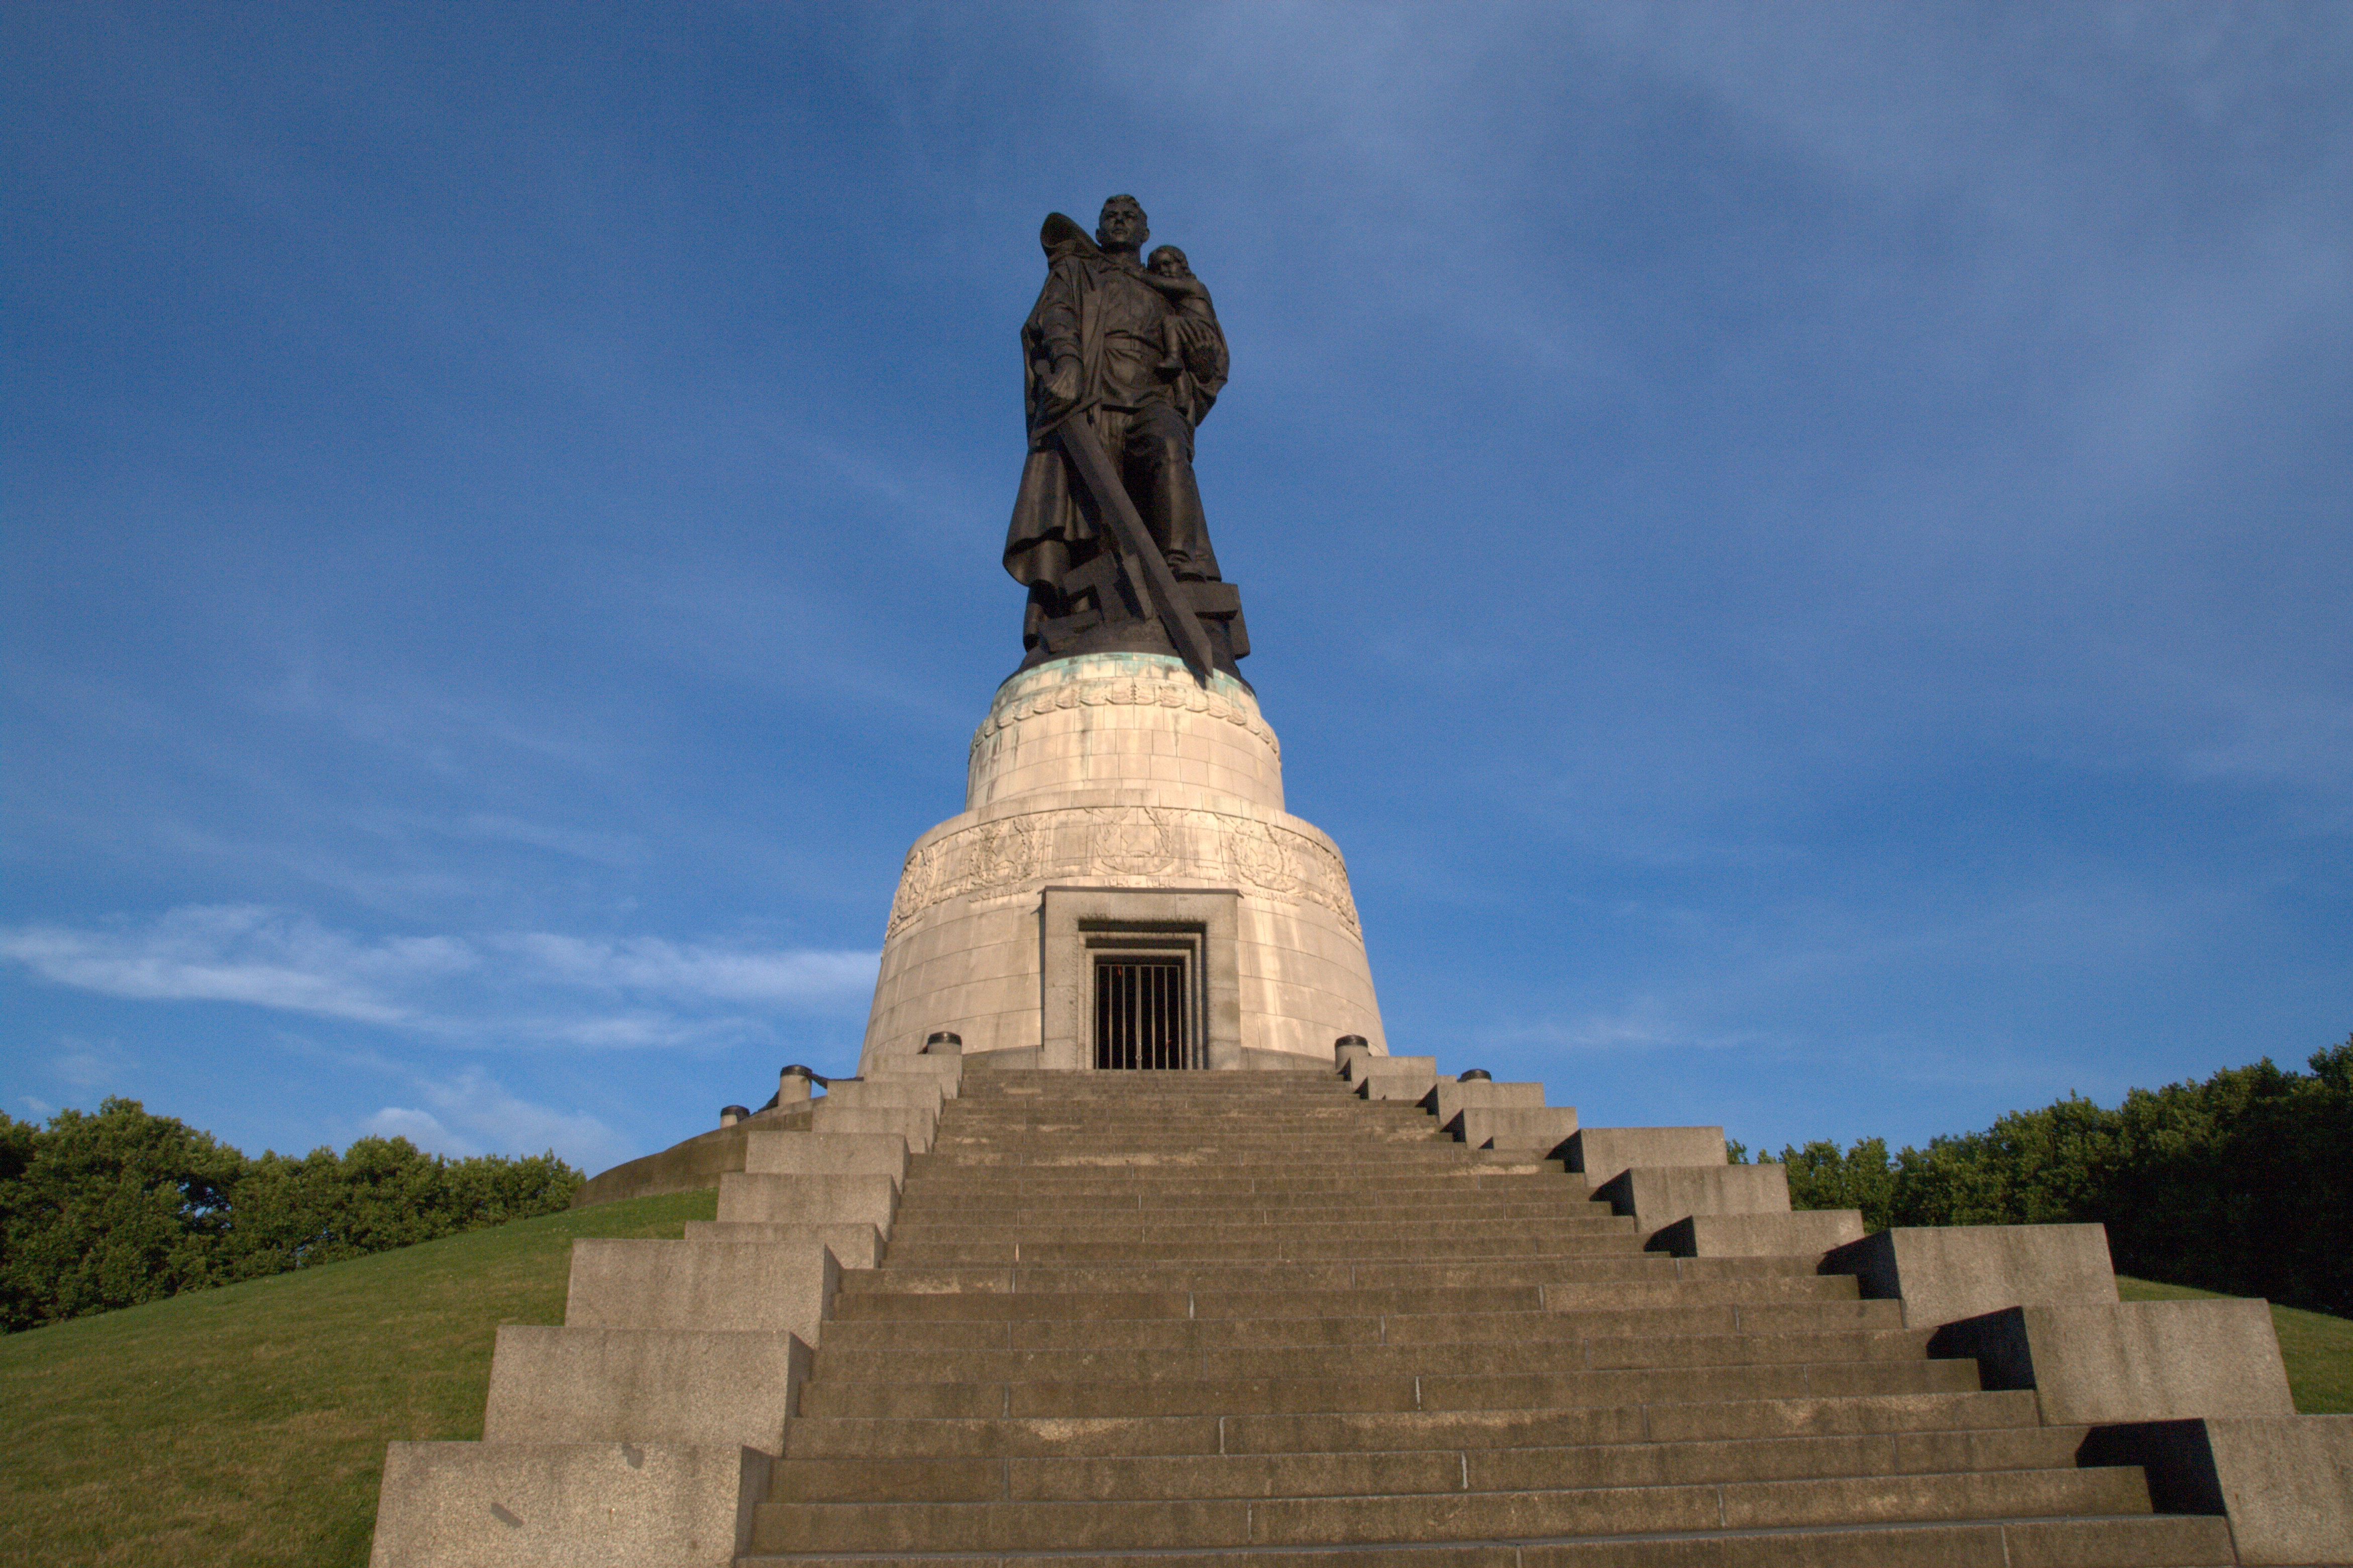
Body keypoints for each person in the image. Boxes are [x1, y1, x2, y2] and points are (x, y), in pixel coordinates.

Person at [1004, 196, 1231, 655]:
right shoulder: (1079, 271)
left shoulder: (1166, 287)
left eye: (1130, 217)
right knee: (1098, 509)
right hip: (1094, 395)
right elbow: (1055, 316)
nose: (1120, 223)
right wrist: (1067, 364)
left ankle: (1179, 566)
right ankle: (1097, 605)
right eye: (1111, 217)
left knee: (1169, 448)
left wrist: (1204, 363)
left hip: (1151, 390)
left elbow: (1205, 352)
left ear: (1145, 233)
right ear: (1101, 230)